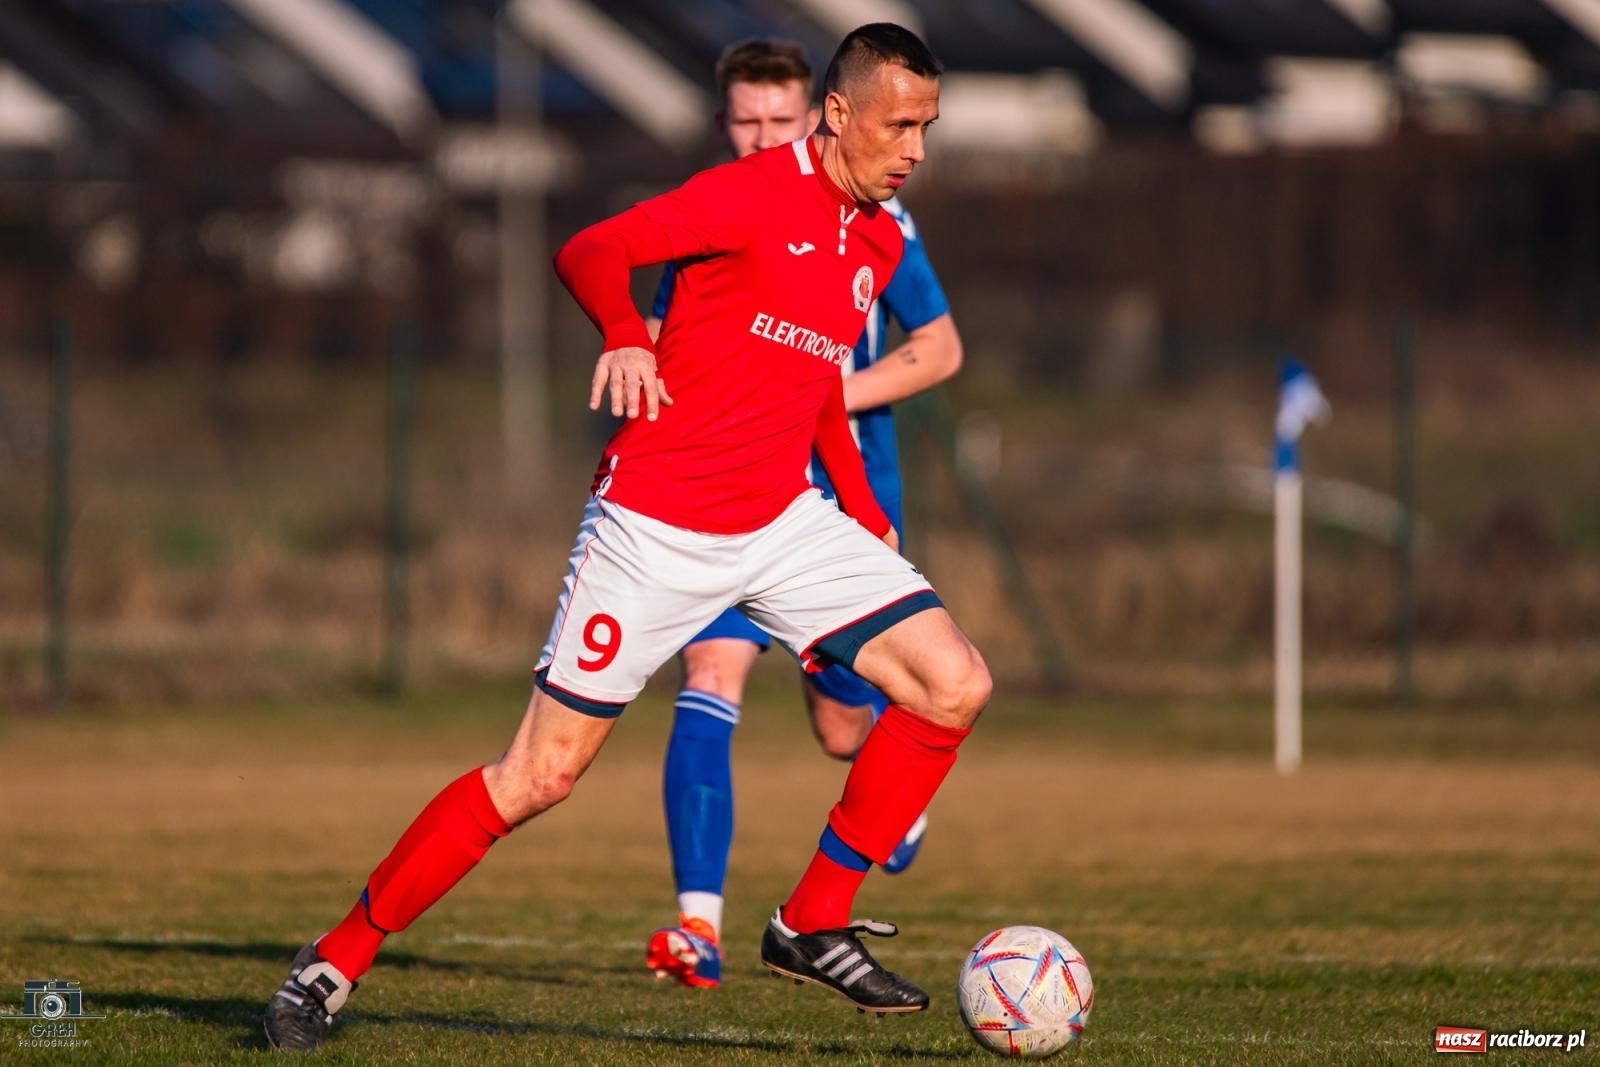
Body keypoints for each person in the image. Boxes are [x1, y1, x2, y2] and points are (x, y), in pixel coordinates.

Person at [262, 23, 988, 1052]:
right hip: (654, 524)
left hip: (782, 518)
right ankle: (331, 961)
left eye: (927, 128)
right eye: (898, 125)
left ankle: (812, 919)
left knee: (952, 682)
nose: (914, 149)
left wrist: (863, 514)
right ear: (836, 113)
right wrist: (622, 333)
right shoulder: (745, 194)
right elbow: (590, 248)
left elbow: (816, 381)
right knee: (538, 775)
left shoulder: (875, 239)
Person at [641, 39, 963, 992]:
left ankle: (889, 796)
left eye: (779, 120)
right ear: (723, 124)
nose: (762, 136)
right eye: (746, 121)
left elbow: (941, 347)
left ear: (820, 116)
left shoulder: (880, 219)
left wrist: (823, 394)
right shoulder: (713, 211)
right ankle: (698, 930)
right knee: (709, 673)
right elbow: (661, 335)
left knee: (841, 725)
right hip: (727, 493)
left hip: (837, 500)